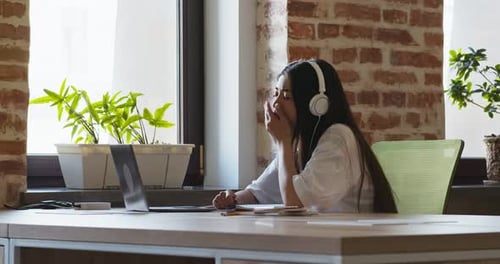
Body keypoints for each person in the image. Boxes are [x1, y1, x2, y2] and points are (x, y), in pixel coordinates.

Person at [212, 59, 397, 213]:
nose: (276, 104)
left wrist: (283, 143)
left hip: (354, 247)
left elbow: (295, 203)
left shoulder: (339, 138)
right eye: (275, 94)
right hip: (323, 243)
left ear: (317, 104)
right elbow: (258, 194)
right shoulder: (298, 143)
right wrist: (233, 199)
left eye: (286, 96)